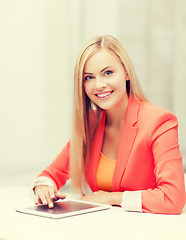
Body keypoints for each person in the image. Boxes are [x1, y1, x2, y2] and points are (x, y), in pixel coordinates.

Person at [33, 35, 186, 214]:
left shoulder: (159, 121)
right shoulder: (90, 123)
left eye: (108, 73)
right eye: (89, 77)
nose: (99, 85)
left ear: (126, 73)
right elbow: (51, 174)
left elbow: (173, 198)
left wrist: (112, 198)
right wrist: (43, 188)